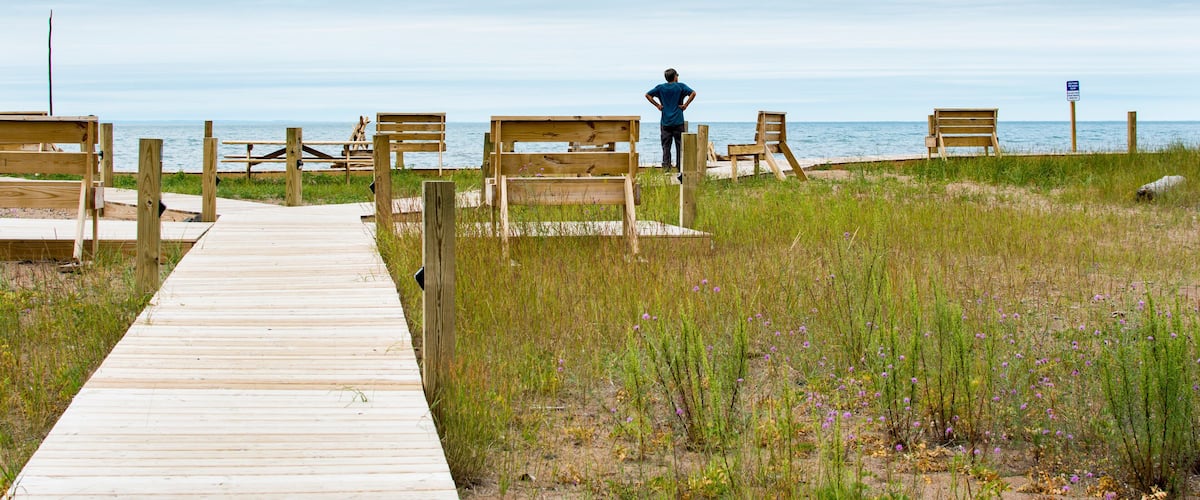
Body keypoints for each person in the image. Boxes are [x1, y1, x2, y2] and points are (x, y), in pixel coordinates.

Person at [645, 68, 696, 171]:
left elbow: (647, 95)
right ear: (675, 77)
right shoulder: (680, 86)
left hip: (665, 122)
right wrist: (685, 105)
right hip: (678, 121)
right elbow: (693, 93)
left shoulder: (660, 88)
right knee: (680, 146)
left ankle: (666, 168)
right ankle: (680, 168)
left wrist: (657, 105)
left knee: (666, 147)